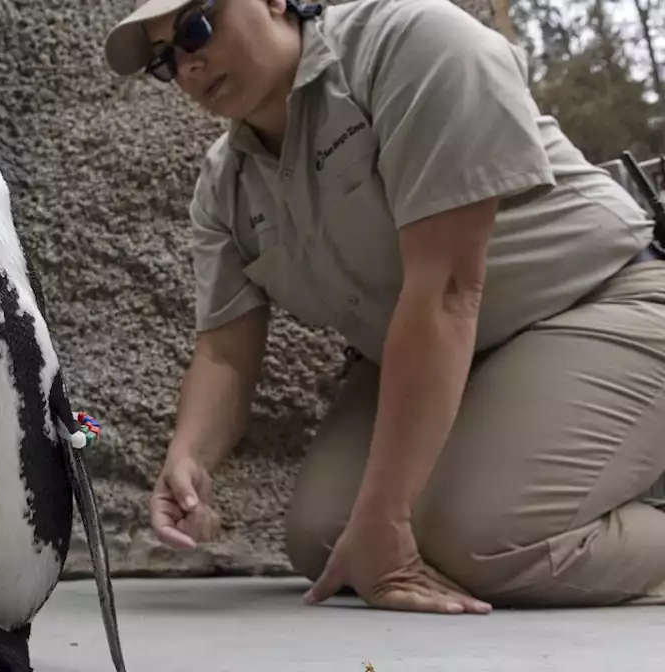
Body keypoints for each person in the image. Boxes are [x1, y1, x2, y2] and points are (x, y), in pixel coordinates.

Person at [103, 0, 665, 614]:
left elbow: (449, 290)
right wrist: (188, 458)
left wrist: (389, 517)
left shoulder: (414, 44)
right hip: (460, 356)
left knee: (483, 538)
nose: (187, 64)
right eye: (164, 60)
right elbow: (225, 353)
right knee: (326, 538)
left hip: (595, 301)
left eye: (197, 27)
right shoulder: (224, 187)